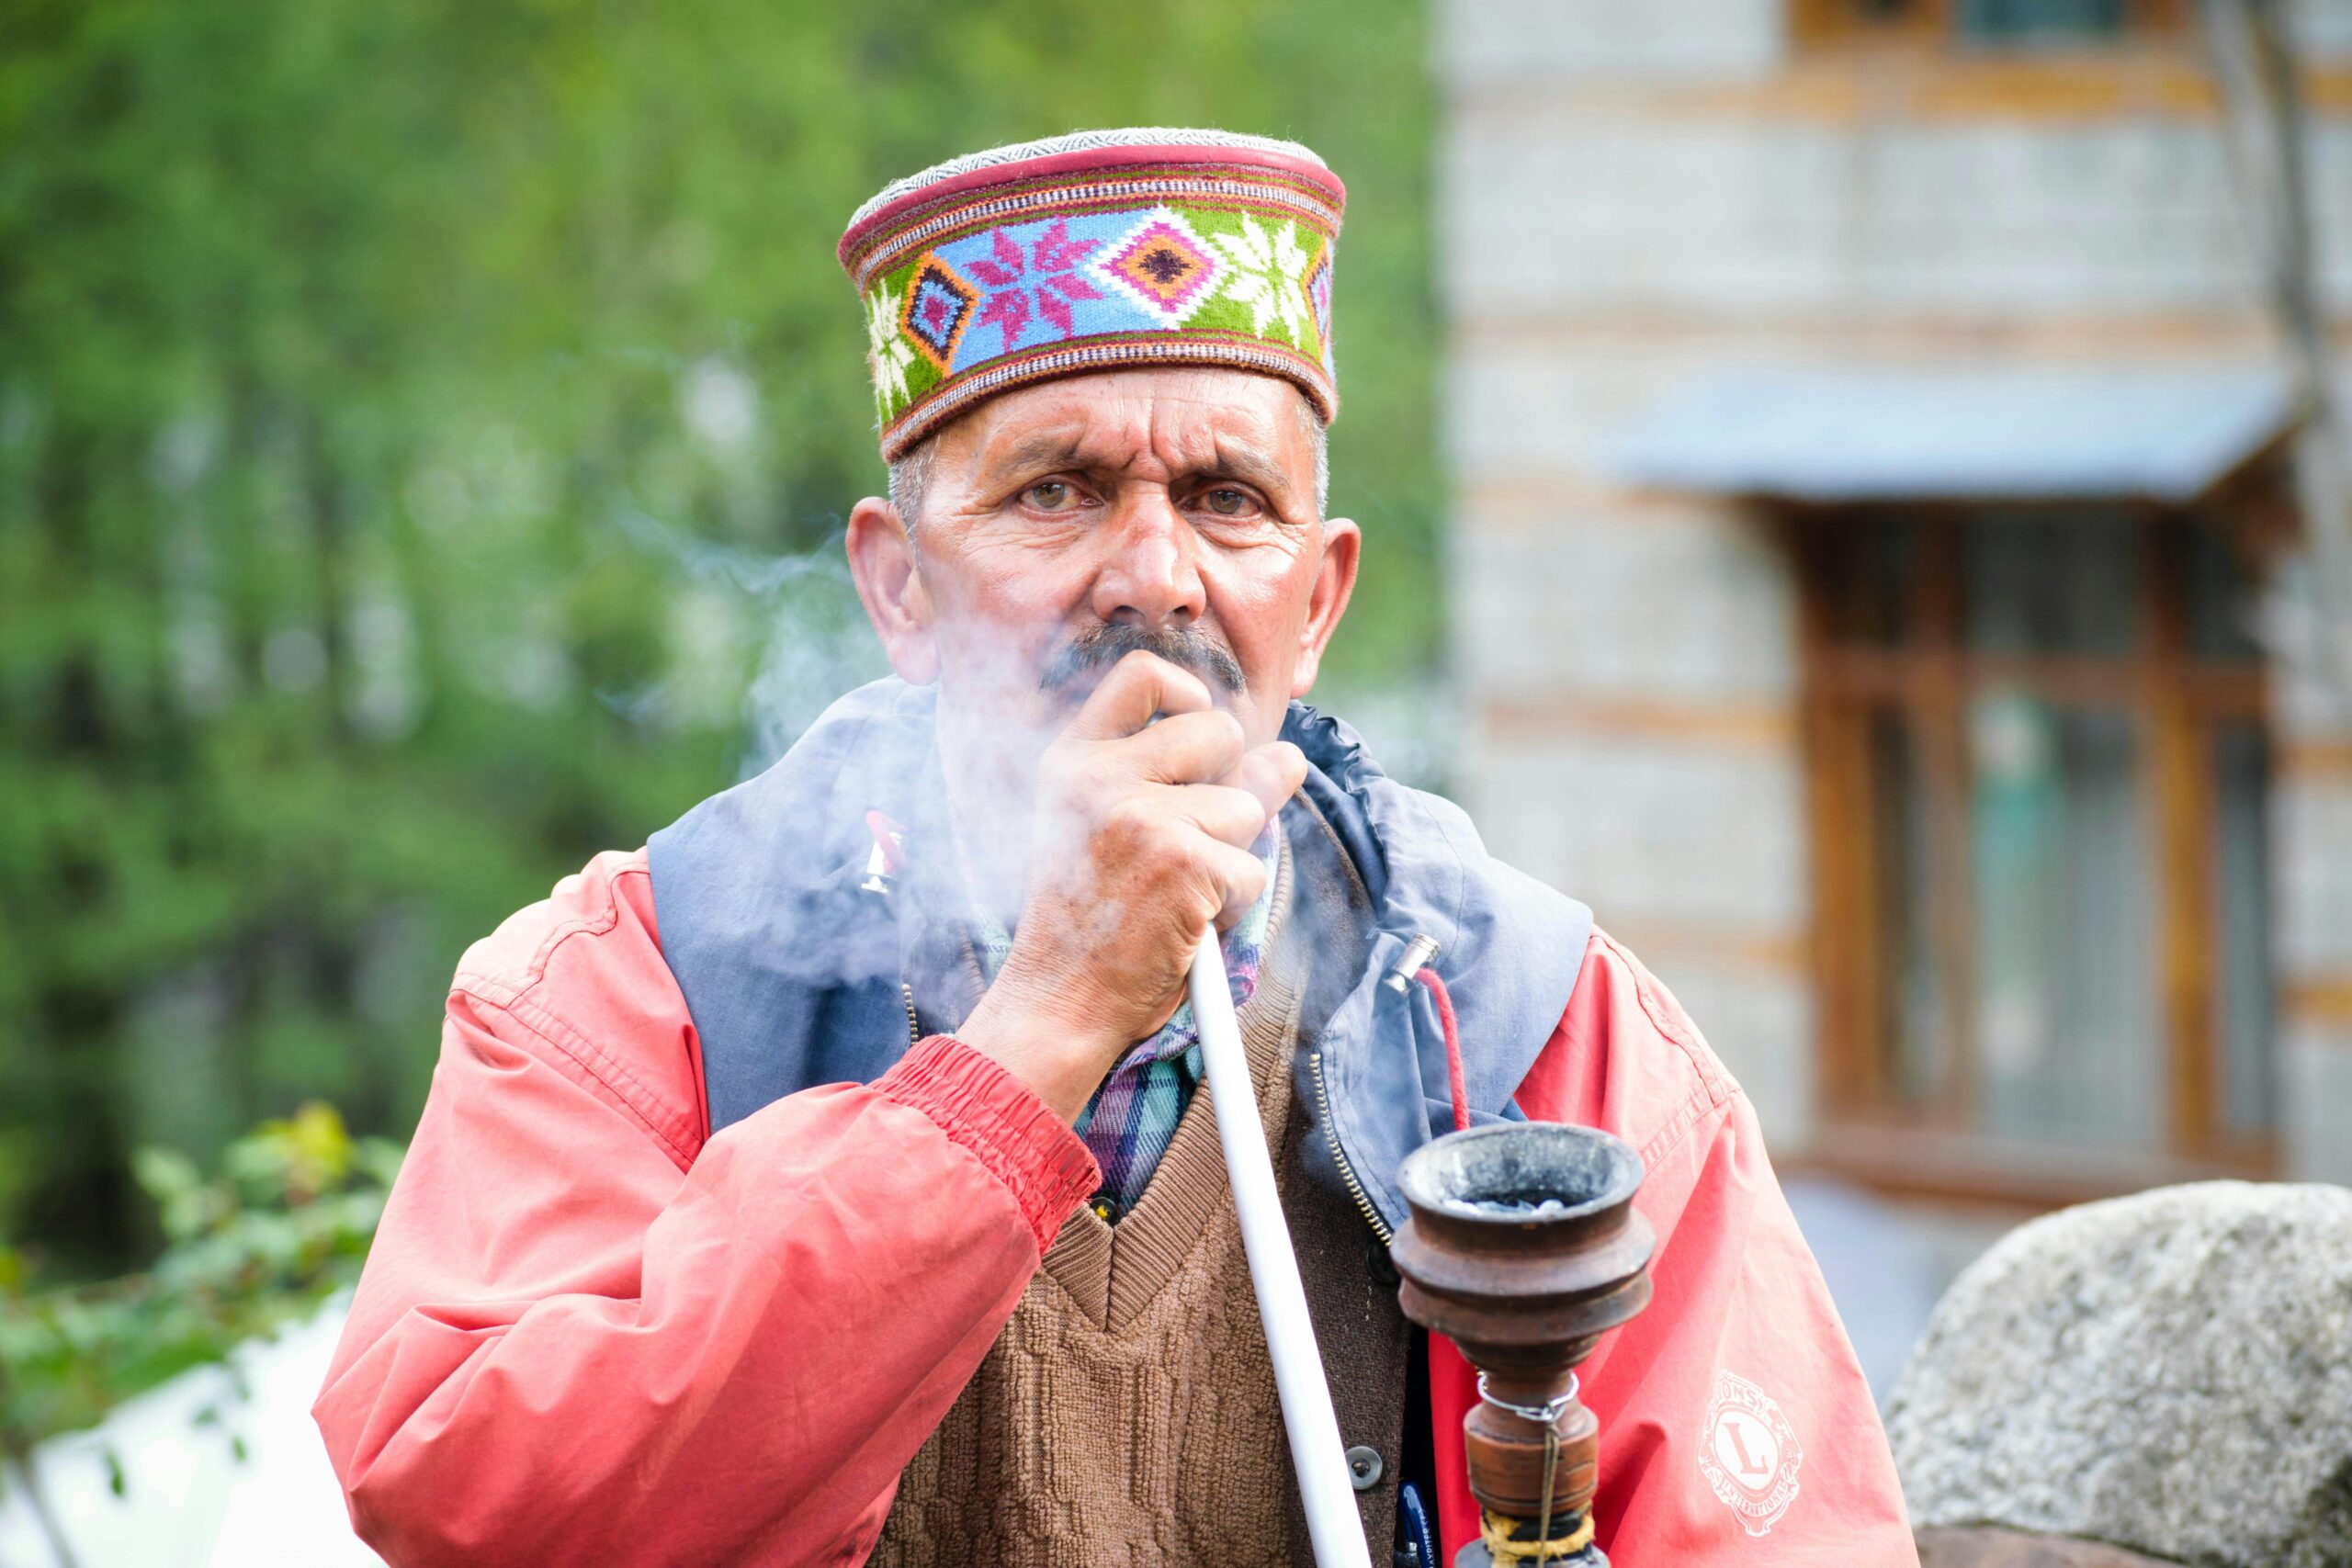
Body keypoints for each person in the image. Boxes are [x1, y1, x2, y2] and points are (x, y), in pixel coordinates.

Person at [314, 128, 1917, 1566]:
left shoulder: (1525, 1025)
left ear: (1320, 600)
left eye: (1229, 500)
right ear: (901, 591)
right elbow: (477, 1498)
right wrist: (1042, 1026)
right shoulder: (647, 987)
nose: (1151, 576)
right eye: (1055, 492)